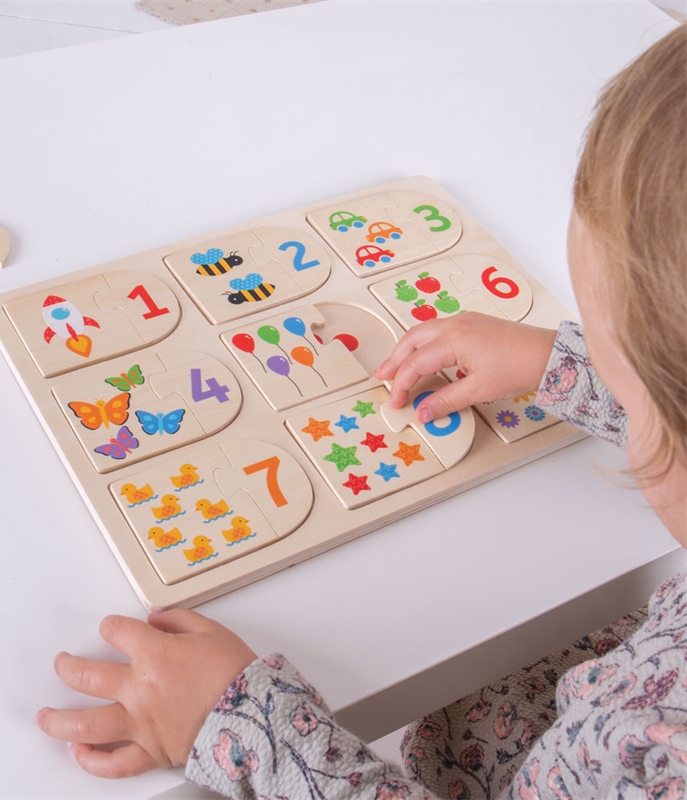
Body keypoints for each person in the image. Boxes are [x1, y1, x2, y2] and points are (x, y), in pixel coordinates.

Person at [35, 22, 687, 799]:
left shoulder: (659, 744)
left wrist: (245, 733)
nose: (606, 378)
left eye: (623, 379)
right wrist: (562, 364)